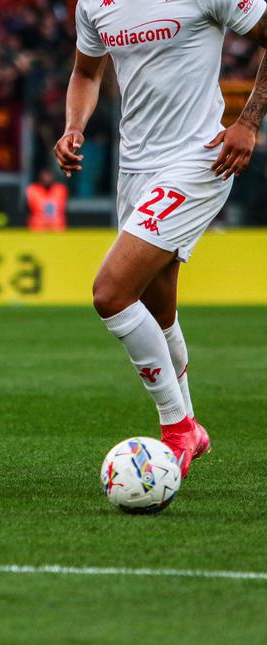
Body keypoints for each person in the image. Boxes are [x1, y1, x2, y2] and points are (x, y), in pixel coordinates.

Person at [54, 0, 267, 476]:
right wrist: (73, 127)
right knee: (156, 308)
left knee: (111, 293)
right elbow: (86, 73)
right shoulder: (92, 4)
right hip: (134, 170)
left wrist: (249, 122)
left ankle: (177, 426)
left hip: (199, 159)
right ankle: (193, 433)